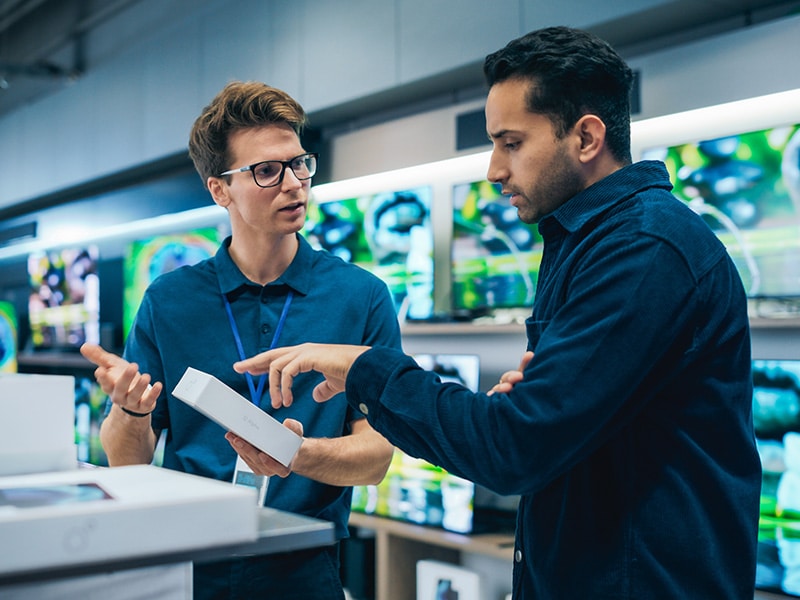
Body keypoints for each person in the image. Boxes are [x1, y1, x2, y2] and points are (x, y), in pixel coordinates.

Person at [231, 27, 762, 599]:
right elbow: (554, 429)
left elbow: (513, 448)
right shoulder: (590, 242)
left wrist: (366, 367)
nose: (493, 169)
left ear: (586, 137)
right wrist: (540, 403)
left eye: (511, 143)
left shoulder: (645, 251)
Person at [80, 81, 401, 600]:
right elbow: (127, 463)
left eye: (300, 164)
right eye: (267, 171)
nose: (294, 184)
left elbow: (376, 457)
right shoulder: (170, 300)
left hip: (304, 566)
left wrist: (293, 453)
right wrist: (131, 411)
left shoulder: (360, 297)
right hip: (188, 563)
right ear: (220, 190)